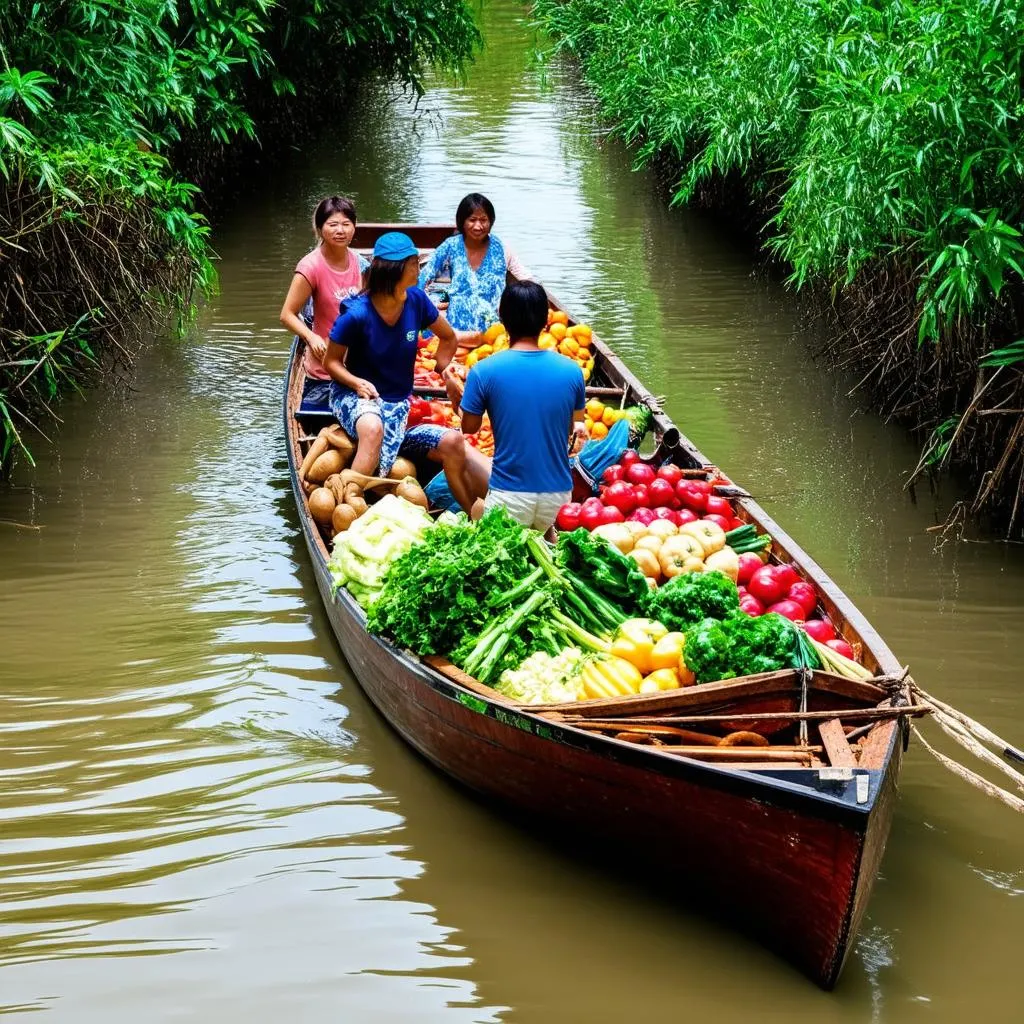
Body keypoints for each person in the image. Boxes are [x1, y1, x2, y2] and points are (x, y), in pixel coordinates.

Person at [323, 231, 489, 513]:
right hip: (355, 397)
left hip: (399, 406)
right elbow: (331, 363)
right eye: (415, 263)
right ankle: (351, 500)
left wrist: (444, 369)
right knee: (373, 427)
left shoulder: (416, 300)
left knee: (452, 440)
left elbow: (448, 338)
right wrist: (357, 382)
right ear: (397, 269)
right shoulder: (356, 314)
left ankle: (472, 513)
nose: (419, 269)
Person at [447, 280, 586, 531]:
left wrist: (455, 394)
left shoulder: (483, 371)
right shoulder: (573, 371)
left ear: (502, 318)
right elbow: (573, 429)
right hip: (560, 498)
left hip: (509, 495)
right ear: (546, 320)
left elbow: (469, 428)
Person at [280, 196, 368, 400]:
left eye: (346, 224)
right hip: (324, 371)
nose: (340, 231)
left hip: (357, 366)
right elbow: (287, 314)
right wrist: (311, 338)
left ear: (354, 227)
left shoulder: (358, 261)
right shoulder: (310, 266)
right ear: (320, 228)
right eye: (333, 224)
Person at [418, 193, 531, 335]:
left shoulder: (502, 249)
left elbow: (527, 280)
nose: (478, 226)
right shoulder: (451, 246)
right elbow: (424, 276)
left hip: (493, 333)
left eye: (484, 220)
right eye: (472, 220)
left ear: (491, 222)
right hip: (455, 331)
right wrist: (422, 311)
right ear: (462, 222)